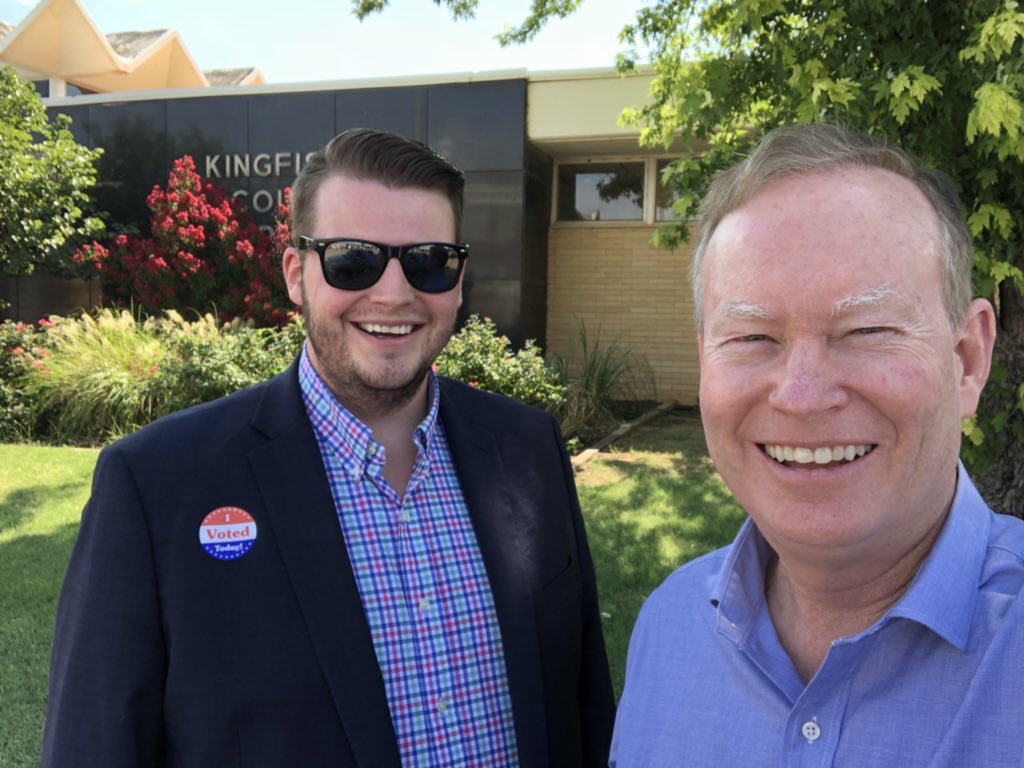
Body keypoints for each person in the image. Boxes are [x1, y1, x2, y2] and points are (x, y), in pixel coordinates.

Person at [42, 128, 615, 767]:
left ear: (457, 279)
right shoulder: (156, 488)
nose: (394, 294)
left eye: (428, 260)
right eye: (353, 260)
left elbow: (585, 709)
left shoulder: (528, 448)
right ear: (296, 273)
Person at [610, 123, 1024, 767]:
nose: (802, 396)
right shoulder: (669, 627)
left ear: (967, 359)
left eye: (865, 329)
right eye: (751, 338)